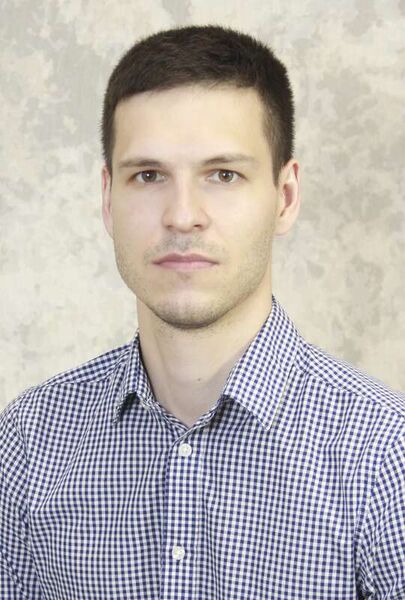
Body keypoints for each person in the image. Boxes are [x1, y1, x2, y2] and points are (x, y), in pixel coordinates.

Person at [1, 24, 404, 600]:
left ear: (285, 197)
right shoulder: (30, 441)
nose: (183, 215)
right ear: (109, 199)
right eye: (148, 176)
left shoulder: (385, 455)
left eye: (223, 175)